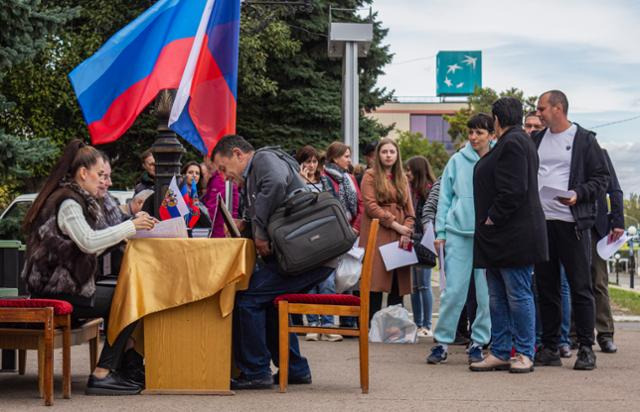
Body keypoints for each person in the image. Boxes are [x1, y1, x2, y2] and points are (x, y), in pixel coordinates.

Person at [21, 139, 157, 395]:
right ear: (83, 173)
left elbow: (90, 244)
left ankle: (127, 367)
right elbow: (88, 242)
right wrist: (130, 227)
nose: (106, 181)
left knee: (124, 290)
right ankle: (103, 373)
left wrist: (127, 233)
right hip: (55, 289)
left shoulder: (76, 199)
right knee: (128, 296)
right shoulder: (68, 202)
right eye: (101, 174)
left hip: (67, 285)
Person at [212, 135, 334, 390]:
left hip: (306, 254)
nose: (224, 177)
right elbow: (272, 198)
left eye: (223, 168)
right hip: (308, 253)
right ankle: (295, 368)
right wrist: (247, 222)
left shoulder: (264, 158)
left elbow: (277, 183)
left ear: (238, 154)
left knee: (248, 300)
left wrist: (259, 232)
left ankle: (256, 371)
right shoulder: (260, 167)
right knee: (266, 301)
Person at [469, 97, 549, 373]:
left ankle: (525, 352)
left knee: (517, 294)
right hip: (500, 237)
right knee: (498, 296)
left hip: (512, 234)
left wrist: (492, 217)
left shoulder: (514, 142)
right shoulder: (512, 141)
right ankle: (501, 350)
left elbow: (514, 189)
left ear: (497, 120)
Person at [532, 90, 609, 371]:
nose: (538, 113)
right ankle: (550, 347)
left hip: (573, 224)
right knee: (546, 287)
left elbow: (601, 178)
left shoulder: (585, 139)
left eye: (542, 108)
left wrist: (578, 193)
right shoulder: (537, 140)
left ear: (558, 108)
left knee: (580, 287)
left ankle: (586, 348)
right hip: (543, 224)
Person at [427, 113, 493, 366]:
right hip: (458, 233)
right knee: (453, 292)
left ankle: (478, 342)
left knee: (486, 295)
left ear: (491, 134)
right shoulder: (456, 160)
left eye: (480, 132)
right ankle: (442, 342)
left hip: (487, 236)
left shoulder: (497, 158)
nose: (474, 137)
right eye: (471, 132)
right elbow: (444, 198)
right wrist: (440, 232)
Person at [524, 113, 573, 358]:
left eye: (536, 125)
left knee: (561, 284)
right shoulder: (527, 148)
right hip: (534, 224)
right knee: (538, 286)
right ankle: (540, 339)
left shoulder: (565, 143)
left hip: (562, 221)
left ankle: (561, 339)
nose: (532, 129)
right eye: (528, 125)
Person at [359, 138, 415, 320]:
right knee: (375, 281)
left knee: (398, 282)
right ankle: (369, 325)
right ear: (378, 155)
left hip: (401, 235)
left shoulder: (403, 178)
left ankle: (394, 327)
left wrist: (406, 229)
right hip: (379, 231)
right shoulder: (370, 175)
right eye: (384, 152)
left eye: (392, 152)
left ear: (397, 155)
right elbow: (370, 206)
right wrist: (395, 225)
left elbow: (410, 211)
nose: (388, 155)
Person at [294, 145, 343, 342]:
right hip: (305, 236)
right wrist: (300, 180)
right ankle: (313, 323)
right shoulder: (295, 181)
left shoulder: (325, 182)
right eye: (307, 161)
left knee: (327, 281)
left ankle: (329, 323)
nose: (311, 165)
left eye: (314, 161)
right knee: (310, 282)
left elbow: (333, 204)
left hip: (325, 235)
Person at [324, 141, 363, 329]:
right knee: (329, 278)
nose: (349, 160)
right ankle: (329, 321)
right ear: (334, 157)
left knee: (348, 277)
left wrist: (355, 229)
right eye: (346, 156)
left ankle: (347, 323)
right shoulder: (324, 176)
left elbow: (360, 205)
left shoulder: (350, 178)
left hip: (350, 234)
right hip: (330, 234)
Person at [591, 149, 624, 353]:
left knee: (598, 281)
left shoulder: (598, 152)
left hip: (597, 227)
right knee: (571, 282)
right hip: (569, 225)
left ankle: (605, 333)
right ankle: (574, 334)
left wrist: (618, 221)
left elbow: (615, 189)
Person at [405, 156, 436, 338]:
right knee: (415, 286)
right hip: (412, 240)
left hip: (425, 241)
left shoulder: (429, 190)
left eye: (409, 170)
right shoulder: (410, 190)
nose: (407, 173)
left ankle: (427, 324)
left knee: (424, 284)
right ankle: (418, 324)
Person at [179, 161, 211, 229]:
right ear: (184, 175)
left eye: (197, 173)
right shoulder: (180, 193)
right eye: (190, 172)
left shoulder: (200, 195)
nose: (194, 175)